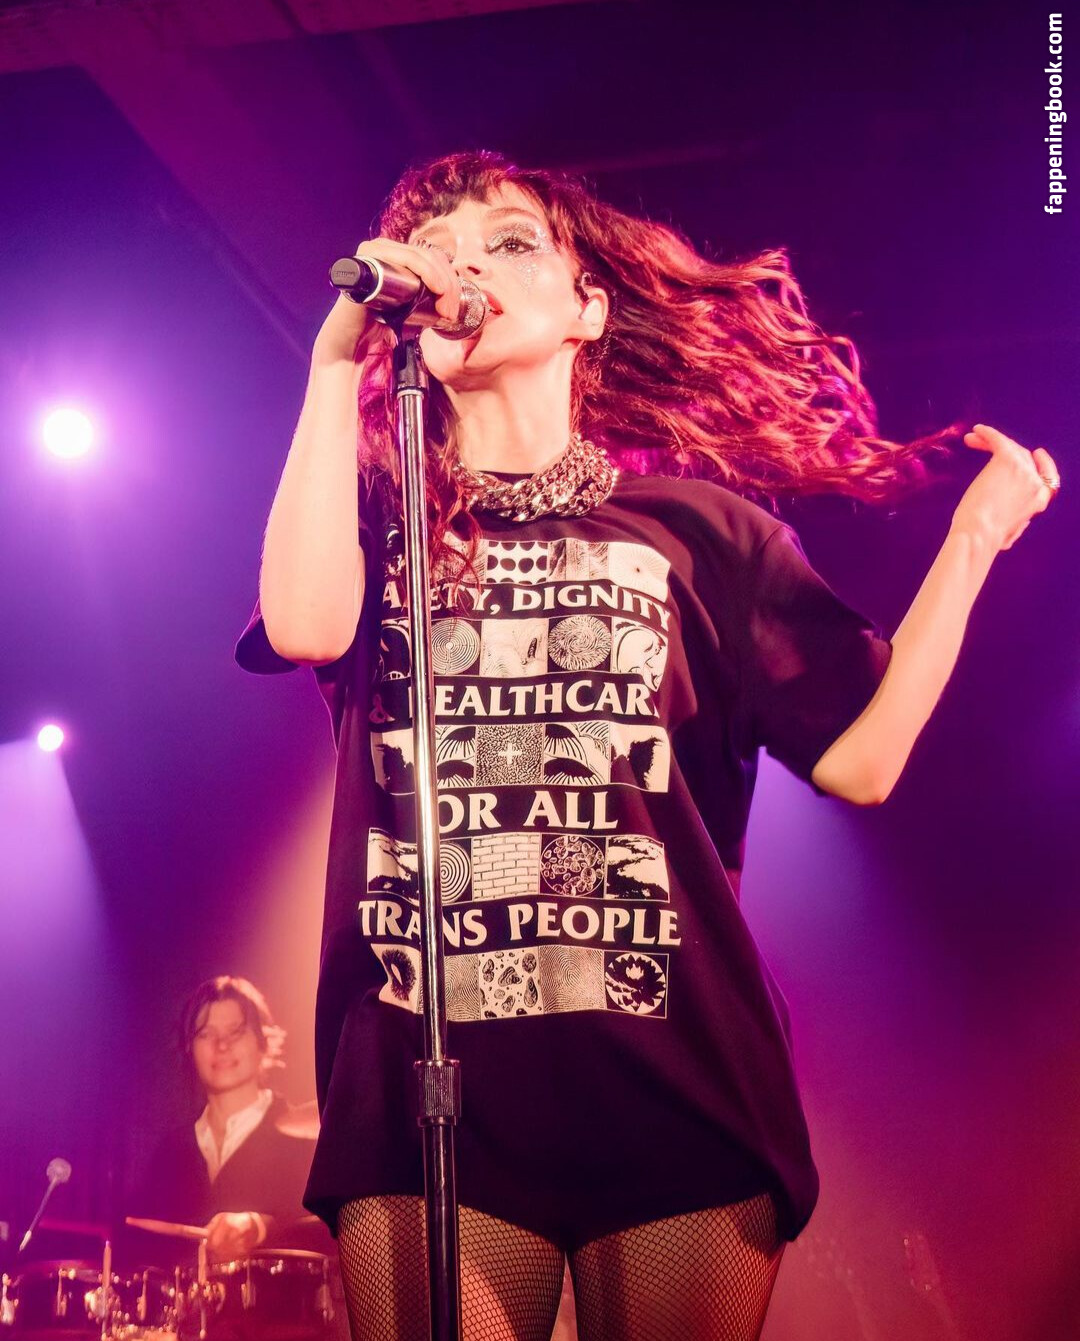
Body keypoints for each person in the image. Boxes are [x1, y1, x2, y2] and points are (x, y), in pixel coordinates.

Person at [235, 151, 1060, 1341]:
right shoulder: (373, 516)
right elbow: (308, 626)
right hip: (421, 1088)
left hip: (671, 1079)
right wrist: (331, 366)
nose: (464, 263)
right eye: (439, 244)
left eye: (509, 240)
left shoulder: (703, 532)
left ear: (589, 309)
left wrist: (972, 543)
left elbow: (863, 759)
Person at [126, 975, 331, 1266]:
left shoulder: (310, 1139)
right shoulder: (171, 1152)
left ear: (263, 1042)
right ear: (189, 1048)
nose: (222, 1045)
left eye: (236, 1032)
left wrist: (259, 1227)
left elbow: (333, 1233)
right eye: (205, 1034)